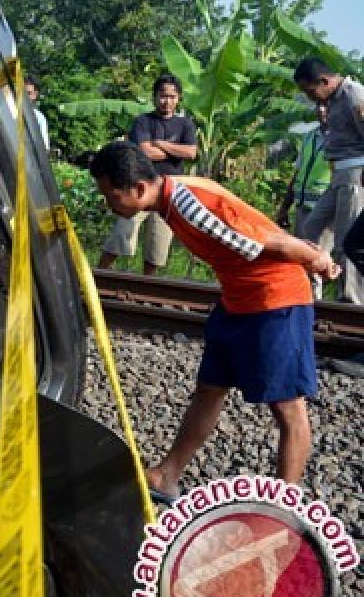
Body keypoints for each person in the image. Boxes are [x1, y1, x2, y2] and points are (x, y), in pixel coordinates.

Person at [87, 141, 339, 498]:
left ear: (139, 188)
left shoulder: (189, 205)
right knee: (210, 388)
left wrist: (319, 261)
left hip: (275, 299)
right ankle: (166, 475)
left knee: (287, 407)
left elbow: (274, 245)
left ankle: (283, 506)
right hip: (237, 300)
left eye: (111, 196)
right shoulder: (175, 192)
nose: (109, 204)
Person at [98, 75, 197, 275]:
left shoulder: (185, 125)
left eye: (171, 96)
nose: (166, 101)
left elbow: (191, 153)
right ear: (154, 97)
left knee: (157, 246)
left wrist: (160, 144)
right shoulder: (143, 121)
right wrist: (174, 151)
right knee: (121, 233)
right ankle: (99, 276)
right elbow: (144, 151)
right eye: (162, 96)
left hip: (169, 190)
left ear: (178, 98)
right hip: (139, 187)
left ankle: (146, 288)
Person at [293, 58, 364, 303]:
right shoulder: (331, 102)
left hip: (356, 175)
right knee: (311, 227)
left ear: (324, 81)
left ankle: (351, 301)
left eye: (310, 92)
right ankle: (310, 293)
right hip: (338, 174)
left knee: (347, 239)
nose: (310, 98)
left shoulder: (354, 96)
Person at [275, 104, 333, 295]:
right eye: (319, 106)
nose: (322, 110)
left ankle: (313, 308)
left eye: (328, 106)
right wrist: (284, 207)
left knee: (316, 262)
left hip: (324, 208)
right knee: (298, 262)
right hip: (302, 206)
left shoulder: (342, 139)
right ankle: (301, 303)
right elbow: (297, 173)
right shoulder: (309, 137)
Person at [25, 74, 50, 152]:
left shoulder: (39, 118)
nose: (24, 96)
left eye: (28, 93)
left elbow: (44, 150)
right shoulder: (8, 110)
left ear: (35, 94)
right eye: (22, 92)